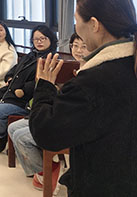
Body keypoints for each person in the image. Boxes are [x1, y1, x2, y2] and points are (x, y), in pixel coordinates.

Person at [30, 0, 137, 197]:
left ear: (94, 24)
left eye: (76, 21)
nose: (76, 28)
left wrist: (45, 87)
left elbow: (47, 133)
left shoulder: (90, 83)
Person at [8, 32, 89, 192]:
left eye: (84, 46)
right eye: (75, 46)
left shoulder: (89, 73)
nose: (79, 50)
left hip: (70, 123)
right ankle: (44, 169)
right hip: (56, 113)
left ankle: (48, 171)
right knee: (12, 128)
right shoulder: (70, 68)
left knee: (21, 137)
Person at [0, 24, 57, 153]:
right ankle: (6, 134)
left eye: (43, 38)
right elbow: (14, 69)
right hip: (10, 92)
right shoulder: (31, 55)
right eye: (36, 39)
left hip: (24, 99)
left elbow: (40, 83)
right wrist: (9, 77)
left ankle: (1, 138)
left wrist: (22, 89)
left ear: (51, 39)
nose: (39, 42)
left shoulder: (52, 59)